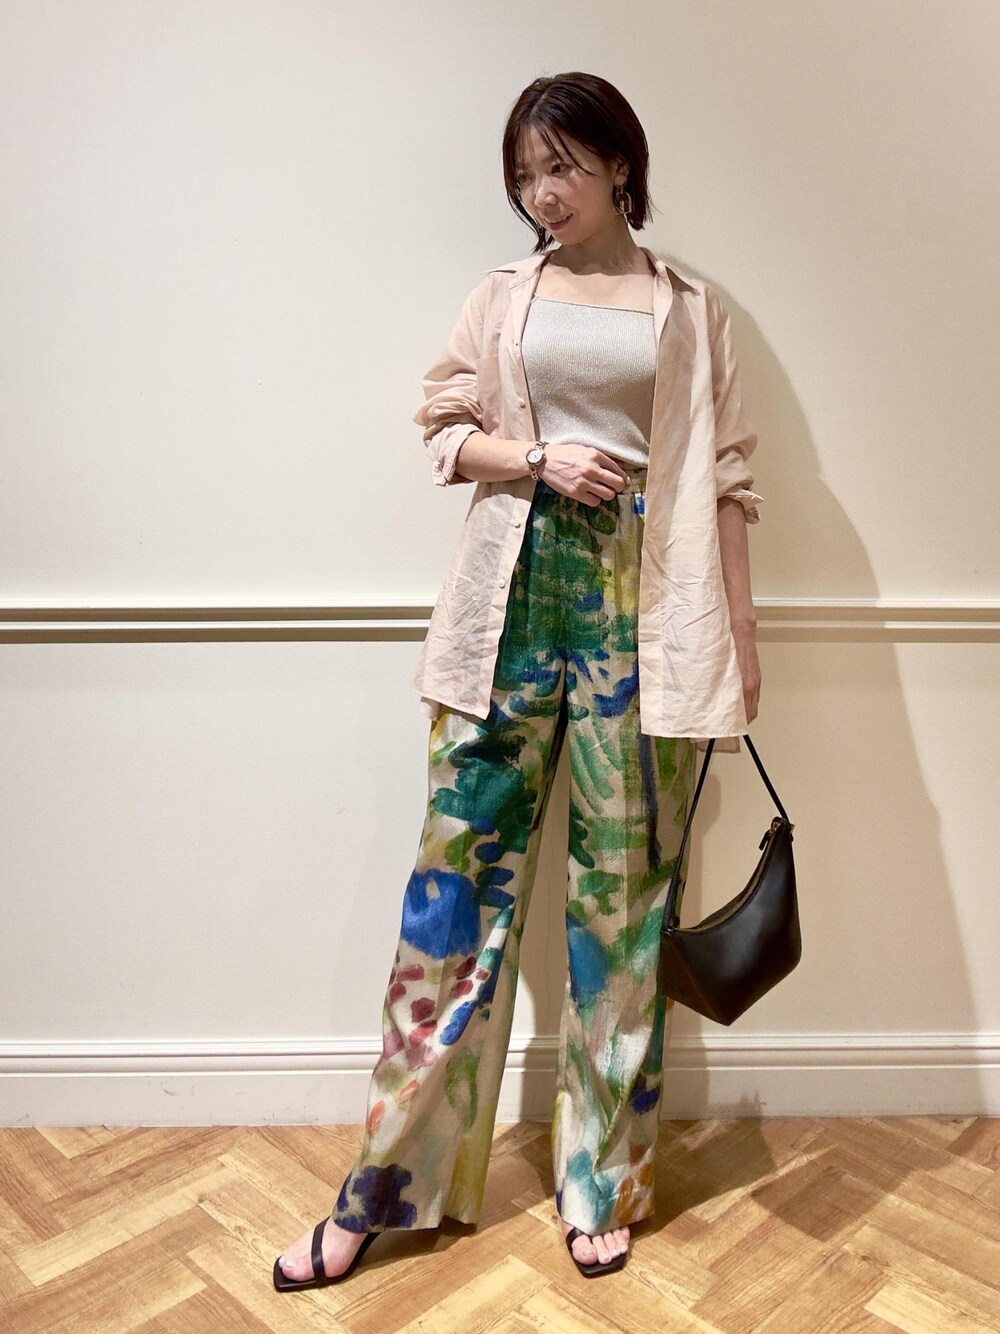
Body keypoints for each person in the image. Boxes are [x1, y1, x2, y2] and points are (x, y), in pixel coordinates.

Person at [274, 69, 762, 1291]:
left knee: (620, 910)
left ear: (618, 165)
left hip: (647, 620)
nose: (542, 192)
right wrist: (539, 456)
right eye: (525, 174)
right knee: (450, 904)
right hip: (506, 611)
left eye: (562, 166)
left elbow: (727, 478)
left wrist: (742, 639)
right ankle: (384, 1187)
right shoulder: (503, 297)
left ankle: (601, 1180)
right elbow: (444, 428)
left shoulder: (691, 309)